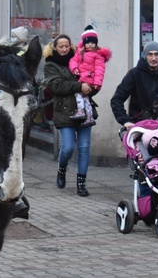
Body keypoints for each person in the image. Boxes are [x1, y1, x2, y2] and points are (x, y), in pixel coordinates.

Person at [44, 35, 95, 196]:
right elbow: (56, 86)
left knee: (84, 148)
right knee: (68, 148)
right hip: (64, 111)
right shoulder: (50, 65)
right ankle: (62, 168)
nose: (65, 49)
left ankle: (81, 184)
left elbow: (91, 77)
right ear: (55, 48)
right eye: (61, 46)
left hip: (84, 110)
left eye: (67, 46)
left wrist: (92, 85)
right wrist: (80, 86)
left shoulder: (81, 58)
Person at [110, 41, 158, 129]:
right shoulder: (135, 74)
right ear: (145, 56)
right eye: (150, 54)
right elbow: (117, 99)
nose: (153, 58)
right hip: (139, 125)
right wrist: (125, 120)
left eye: (156, 54)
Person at [68, 25, 111, 126]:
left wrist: (97, 83)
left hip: (89, 80)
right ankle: (89, 117)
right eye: (87, 43)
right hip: (82, 78)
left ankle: (81, 111)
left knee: (78, 94)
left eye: (93, 43)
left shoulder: (98, 55)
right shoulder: (80, 52)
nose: (90, 45)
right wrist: (74, 68)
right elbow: (73, 61)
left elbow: (99, 70)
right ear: (84, 43)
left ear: (96, 44)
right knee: (86, 98)